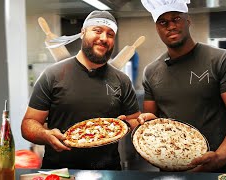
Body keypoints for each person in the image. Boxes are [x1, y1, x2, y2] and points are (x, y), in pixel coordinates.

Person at [138, 0, 226, 173]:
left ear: (188, 20)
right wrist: (144, 122)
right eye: (163, 22)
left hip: (217, 168)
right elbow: (153, 123)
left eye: (176, 18)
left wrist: (218, 158)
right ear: (157, 27)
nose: (170, 26)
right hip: (172, 171)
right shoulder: (151, 72)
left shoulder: (221, 60)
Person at [21, 10, 140, 170]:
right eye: (97, 31)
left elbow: (134, 120)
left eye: (110, 34)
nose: (104, 38)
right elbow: (29, 123)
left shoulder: (122, 80)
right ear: (83, 32)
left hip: (107, 172)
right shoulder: (52, 75)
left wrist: (125, 124)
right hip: (60, 172)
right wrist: (45, 135)